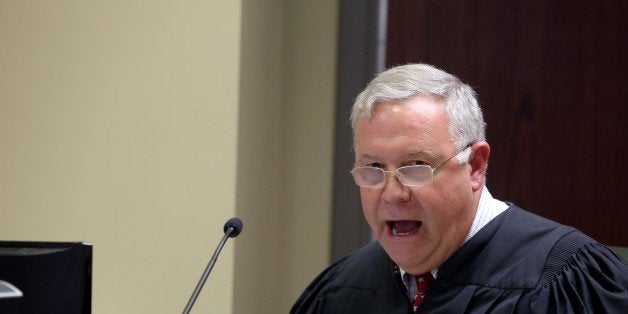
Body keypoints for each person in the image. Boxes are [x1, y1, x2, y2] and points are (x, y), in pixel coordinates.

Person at [290, 64, 628, 313]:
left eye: (416, 166)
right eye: (374, 168)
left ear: (476, 166)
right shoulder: (340, 291)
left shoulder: (565, 283)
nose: (392, 193)